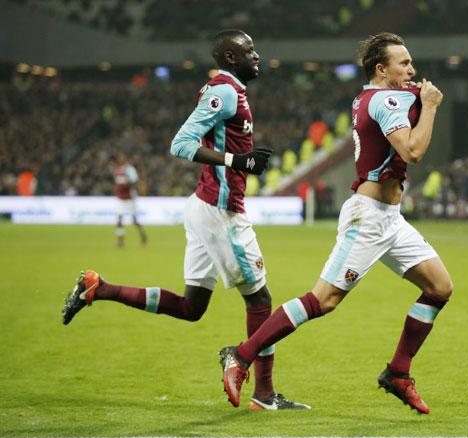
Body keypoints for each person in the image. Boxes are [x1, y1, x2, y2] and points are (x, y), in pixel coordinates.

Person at [62, 30, 309, 411]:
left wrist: (237, 160)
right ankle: (263, 392)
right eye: (249, 51)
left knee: (192, 308)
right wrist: (237, 161)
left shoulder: (233, 91)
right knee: (259, 298)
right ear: (230, 56)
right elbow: (180, 143)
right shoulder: (223, 90)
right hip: (220, 213)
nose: (258, 57)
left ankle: (100, 288)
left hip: (203, 206)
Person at [219, 32, 453, 415]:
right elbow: (413, 150)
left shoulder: (369, 97)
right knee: (323, 300)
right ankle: (240, 356)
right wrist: (429, 106)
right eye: (404, 63)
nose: (412, 69)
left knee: (440, 287)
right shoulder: (386, 99)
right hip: (368, 218)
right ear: (382, 69)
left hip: (391, 220)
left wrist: (419, 98)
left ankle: (398, 371)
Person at [112, 153, 147, 248]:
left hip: (129, 198)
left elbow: (135, 181)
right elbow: (116, 184)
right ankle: (120, 241)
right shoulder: (116, 170)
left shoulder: (129, 169)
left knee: (135, 221)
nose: (121, 159)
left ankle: (143, 237)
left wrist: (126, 184)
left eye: (122, 157)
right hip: (120, 198)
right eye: (119, 158)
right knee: (119, 220)